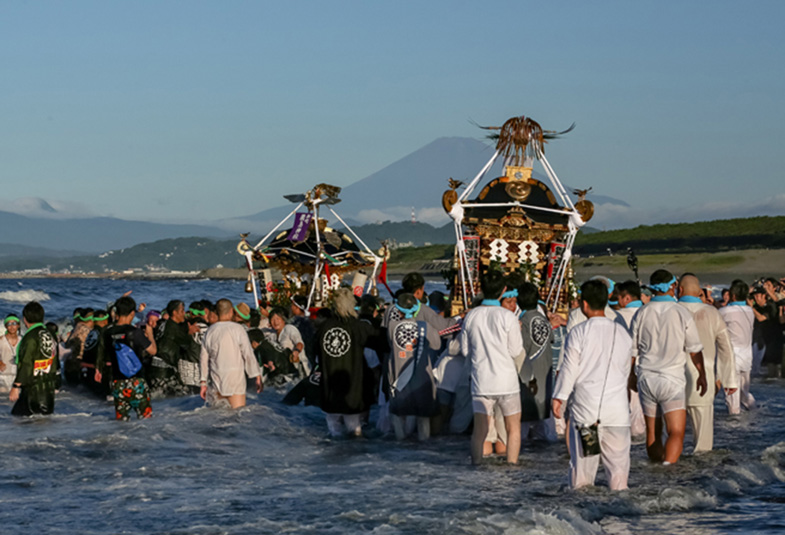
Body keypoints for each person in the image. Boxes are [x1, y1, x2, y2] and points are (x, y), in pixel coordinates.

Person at [552, 280, 633, 490]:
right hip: (618, 414)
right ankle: (621, 521)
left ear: (584, 304)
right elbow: (625, 371)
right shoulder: (623, 333)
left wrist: (559, 396)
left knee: (583, 475)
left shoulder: (578, 332)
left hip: (587, 415)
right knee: (619, 475)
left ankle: (582, 517)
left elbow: (569, 369)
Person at [629, 269, 707, 464]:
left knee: (653, 432)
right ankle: (668, 467)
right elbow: (695, 350)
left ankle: (656, 468)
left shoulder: (642, 312)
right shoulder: (681, 312)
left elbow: (631, 350)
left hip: (646, 377)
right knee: (676, 431)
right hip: (672, 379)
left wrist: (630, 375)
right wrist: (702, 374)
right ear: (673, 287)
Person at [461, 270, 524, 465]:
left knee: (479, 431)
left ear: (481, 289)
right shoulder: (508, 317)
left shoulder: (471, 317)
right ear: (503, 290)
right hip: (507, 381)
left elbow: (465, 351)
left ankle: (476, 466)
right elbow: (515, 351)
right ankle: (512, 467)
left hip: (482, 381)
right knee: (513, 428)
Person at [678, 274, 737, 452]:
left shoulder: (671, 310)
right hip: (704, 375)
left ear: (679, 289)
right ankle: (703, 475)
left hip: (673, 376)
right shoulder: (712, 313)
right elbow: (726, 347)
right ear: (699, 292)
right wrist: (728, 379)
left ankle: (668, 471)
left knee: (671, 434)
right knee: (703, 439)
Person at [316, 288, 379, 437]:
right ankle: (356, 459)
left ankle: (332, 460)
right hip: (352, 391)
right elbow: (378, 345)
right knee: (355, 431)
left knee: (333, 432)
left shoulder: (323, 328)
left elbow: (316, 357)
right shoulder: (358, 327)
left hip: (329, 389)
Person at [95, 296, 156, 420]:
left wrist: (98, 369)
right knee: (146, 420)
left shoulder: (107, 332)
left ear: (116, 313)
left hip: (117, 382)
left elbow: (101, 353)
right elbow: (153, 351)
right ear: (132, 313)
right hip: (136, 382)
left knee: (121, 421)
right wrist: (150, 333)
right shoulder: (135, 332)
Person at [200, 299, 263, 409]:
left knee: (218, 417)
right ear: (231, 312)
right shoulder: (238, 329)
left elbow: (203, 358)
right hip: (235, 381)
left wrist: (203, 383)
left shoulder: (210, 331)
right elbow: (248, 354)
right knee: (238, 416)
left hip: (216, 379)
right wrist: (257, 375)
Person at [516, 282, 556, 442]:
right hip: (545, 372)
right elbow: (551, 339)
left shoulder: (523, 322)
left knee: (523, 424)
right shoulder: (543, 319)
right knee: (541, 422)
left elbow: (520, 349)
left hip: (529, 375)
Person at [9, 301, 59, 416]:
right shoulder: (49, 333)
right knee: (43, 425)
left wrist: (16, 386)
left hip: (32, 392)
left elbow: (27, 364)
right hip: (48, 390)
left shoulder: (30, 338)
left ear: (25, 319)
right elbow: (54, 360)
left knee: (16, 420)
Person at [719, 280, 755, 414]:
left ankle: (734, 427)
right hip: (747, 357)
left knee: (732, 397)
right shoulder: (749, 310)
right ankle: (755, 412)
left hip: (732, 357)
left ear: (733, 295)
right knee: (744, 394)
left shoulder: (726, 311)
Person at [0, 314, 21, 393]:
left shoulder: (22, 340)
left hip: (17, 376)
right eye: (9, 324)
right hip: (2, 376)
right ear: (5, 326)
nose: (12, 327)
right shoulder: (1, 340)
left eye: (14, 324)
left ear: (18, 325)